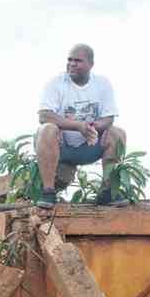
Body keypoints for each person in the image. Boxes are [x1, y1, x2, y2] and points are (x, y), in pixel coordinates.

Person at [35, 43, 126, 208]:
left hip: (90, 146)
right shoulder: (56, 83)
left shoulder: (102, 83)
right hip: (62, 147)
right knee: (47, 129)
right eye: (69, 60)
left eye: (78, 60)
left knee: (117, 133)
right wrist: (78, 126)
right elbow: (44, 115)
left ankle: (107, 191)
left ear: (91, 64)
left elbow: (109, 118)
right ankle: (48, 191)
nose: (72, 64)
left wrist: (92, 128)